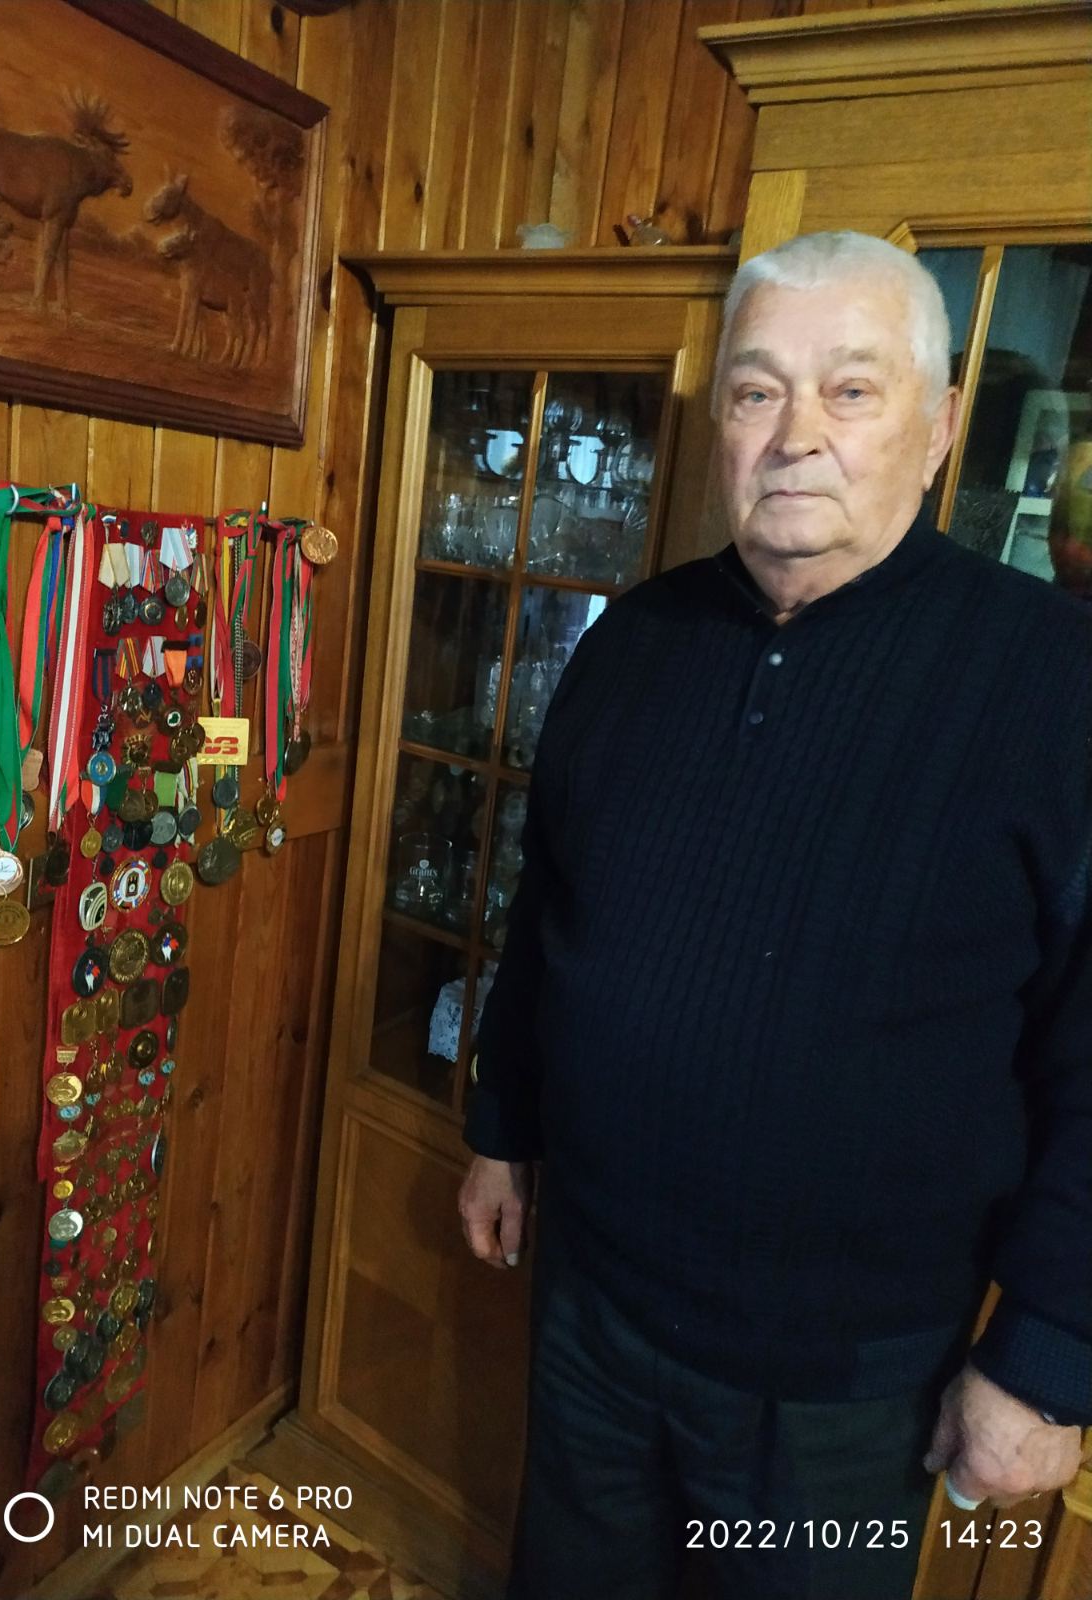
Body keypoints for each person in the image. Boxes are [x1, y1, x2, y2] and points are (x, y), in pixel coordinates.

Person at [457, 231, 1091, 1600]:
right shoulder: (633, 639)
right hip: (593, 1308)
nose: (796, 434)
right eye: (757, 391)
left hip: (842, 1388)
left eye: (850, 390)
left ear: (938, 429)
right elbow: (547, 912)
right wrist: (502, 1131)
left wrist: (1046, 1359)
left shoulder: (1058, 685)